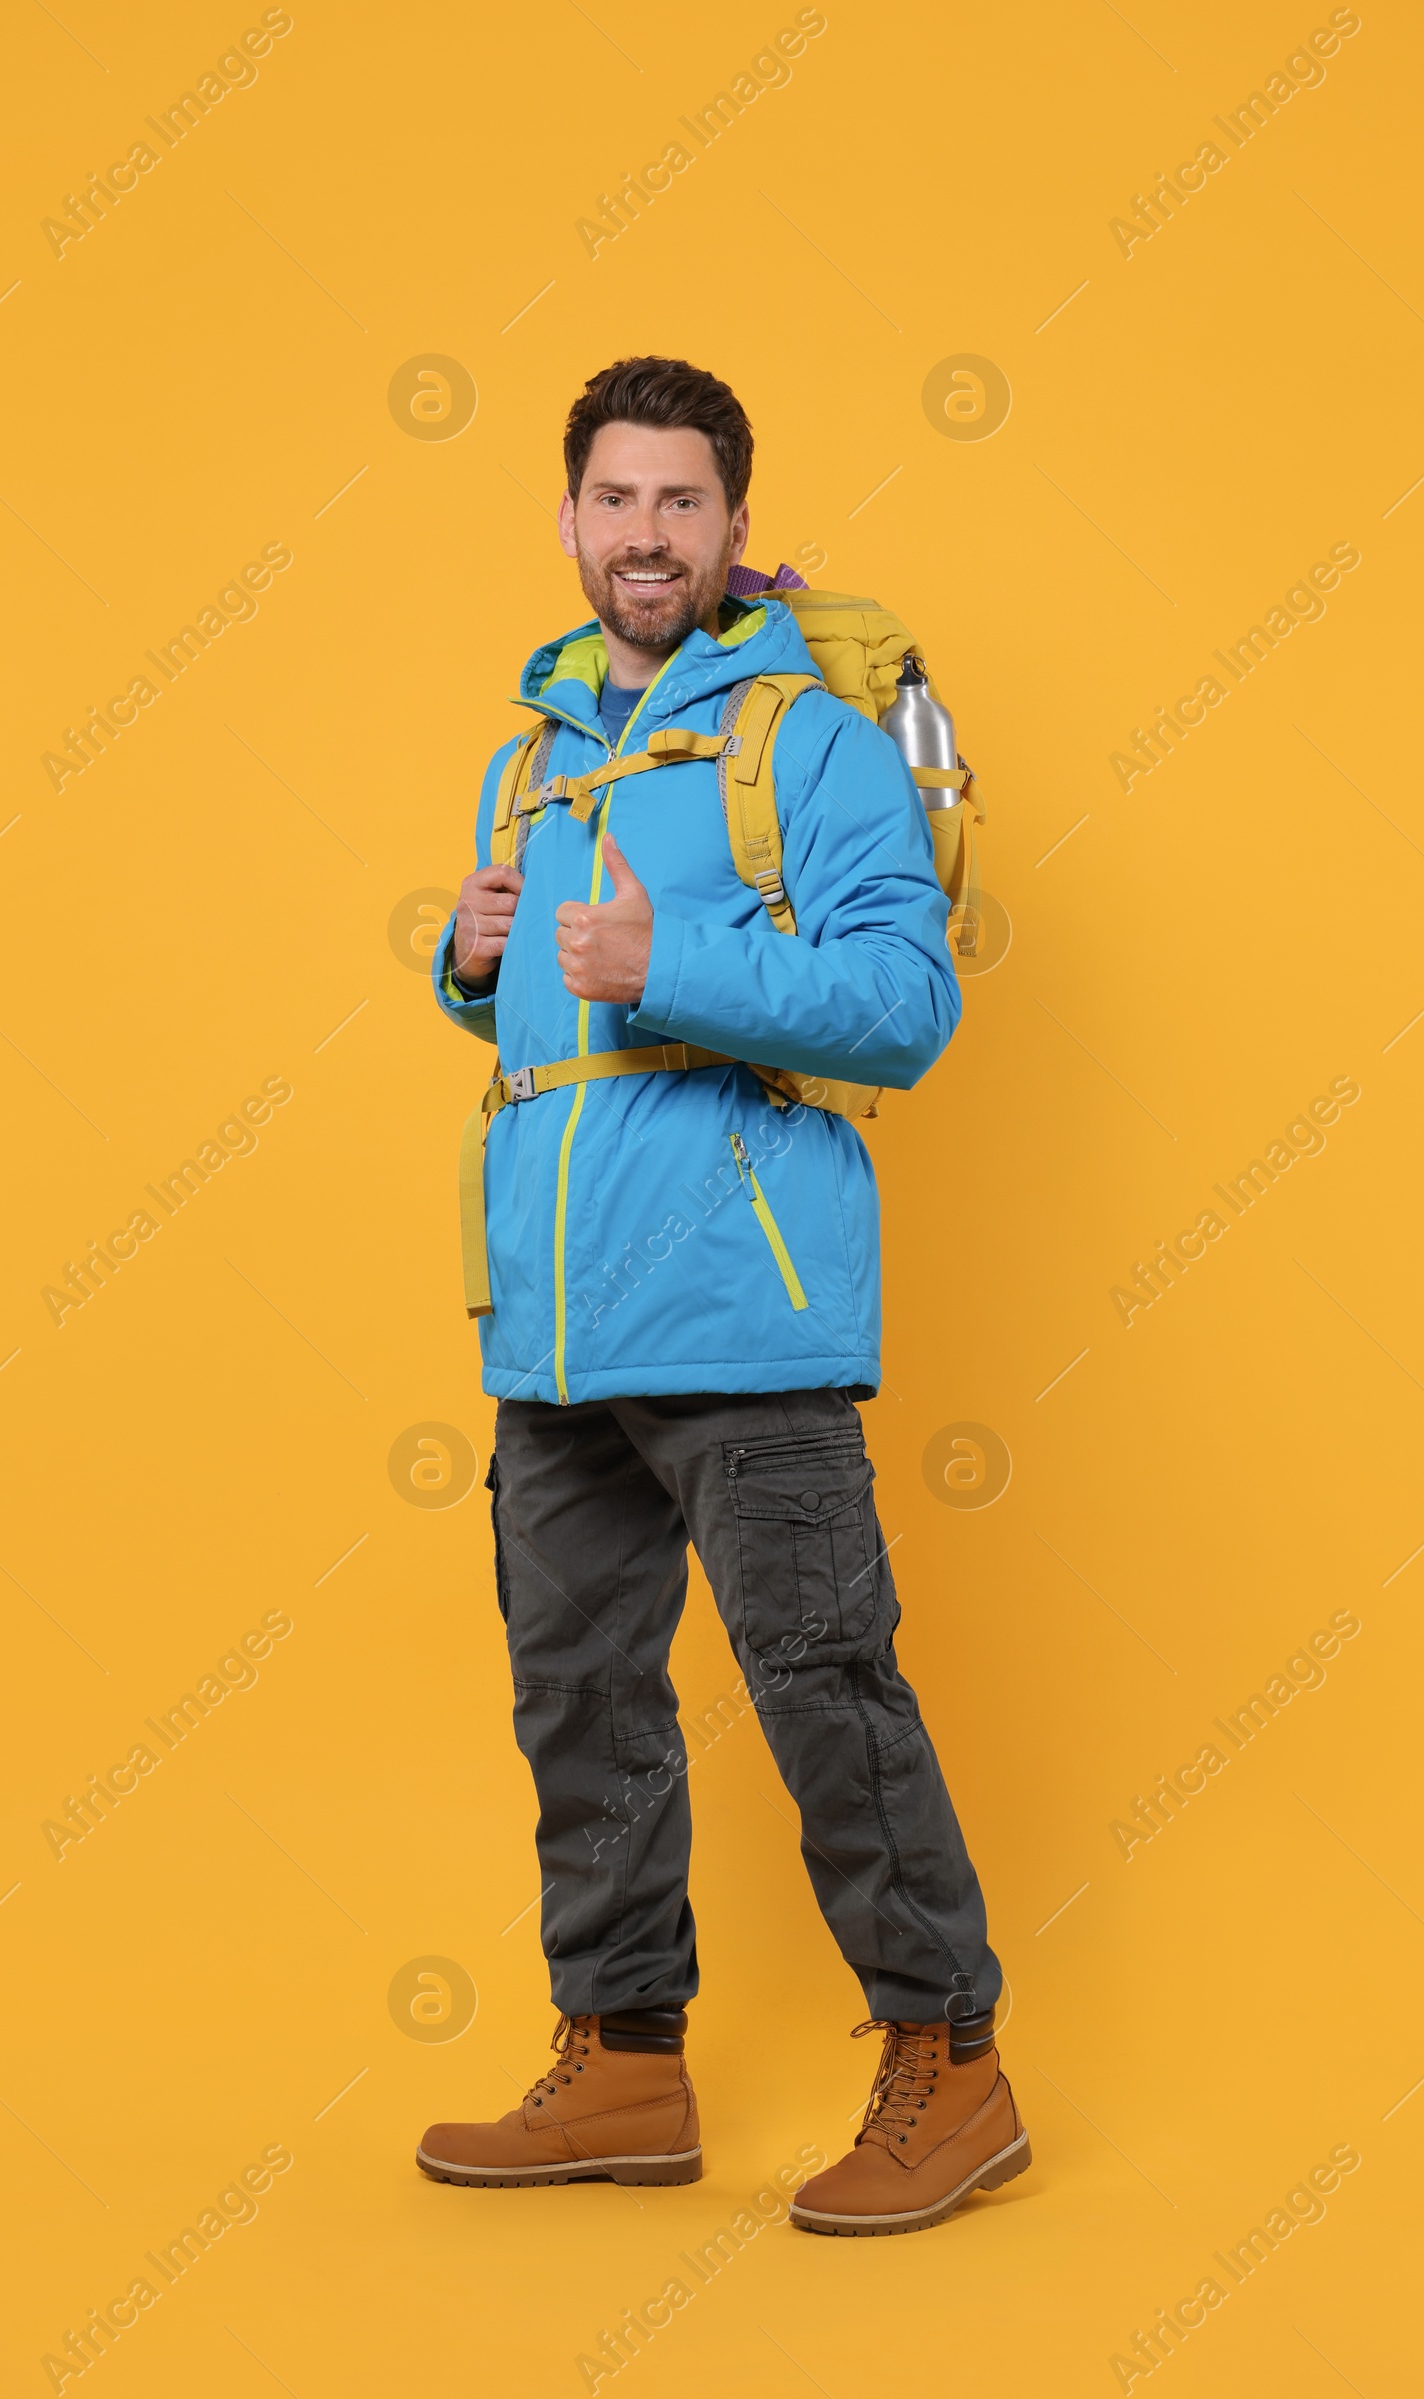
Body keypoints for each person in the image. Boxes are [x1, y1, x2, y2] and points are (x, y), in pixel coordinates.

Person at [415, 356, 1028, 2235]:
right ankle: (623, 2062)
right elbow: (545, 1032)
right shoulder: (536, 745)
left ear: (736, 528)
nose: (649, 536)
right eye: (618, 500)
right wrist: (467, 963)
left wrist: (670, 955)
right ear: (571, 518)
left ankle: (957, 2067)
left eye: (685, 503)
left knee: (822, 1686)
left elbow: (900, 1009)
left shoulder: (813, 742)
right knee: (580, 1701)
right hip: (555, 1328)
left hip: (748, 1319)